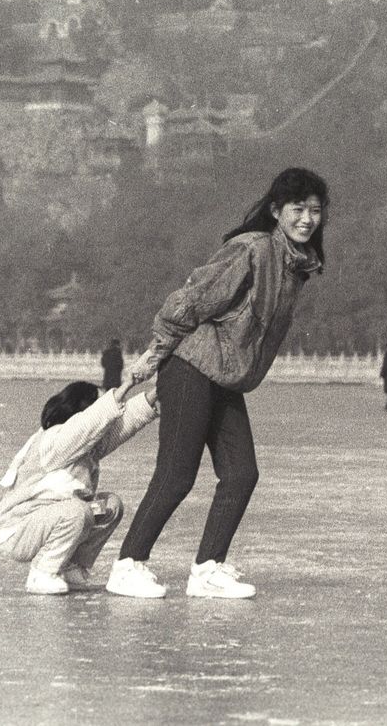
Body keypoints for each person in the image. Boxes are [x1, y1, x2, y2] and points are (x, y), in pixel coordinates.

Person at [105, 167, 328, 601]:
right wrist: (157, 352)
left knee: (242, 473)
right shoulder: (254, 249)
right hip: (191, 368)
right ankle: (127, 564)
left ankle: (207, 569)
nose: (307, 219)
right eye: (298, 209)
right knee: (176, 474)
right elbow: (194, 297)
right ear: (277, 210)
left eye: (315, 211)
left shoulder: (294, 264)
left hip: (226, 374)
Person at [0, 379, 160, 595]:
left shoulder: (85, 447)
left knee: (109, 507)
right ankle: (42, 572)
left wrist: (156, 393)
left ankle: (71, 566)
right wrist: (126, 384)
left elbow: (123, 424)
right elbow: (89, 423)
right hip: (20, 529)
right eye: (99, 405)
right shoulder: (54, 440)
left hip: (55, 517)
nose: (111, 414)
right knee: (77, 510)